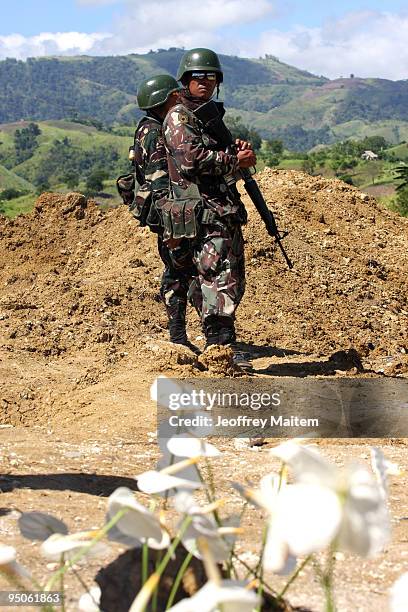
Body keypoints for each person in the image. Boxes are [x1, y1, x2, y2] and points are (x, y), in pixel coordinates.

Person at [163, 49, 256, 358]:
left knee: (228, 275)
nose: (205, 82)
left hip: (221, 209)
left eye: (210, 76)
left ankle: (220, 343)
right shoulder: (179, 115)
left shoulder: (207, 115)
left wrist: (234, 149)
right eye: (197, 77)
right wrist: (234, 159)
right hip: (202, 212)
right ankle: (220, 346)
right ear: (186, 80)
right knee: (218, 275)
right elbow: (189, 159)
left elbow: (211, 151)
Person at [117, 74, 201, 353]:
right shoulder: (154, 132)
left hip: (166, 213)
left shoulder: (147, 127)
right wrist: (173, 227)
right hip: (169, 215)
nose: (179, 98)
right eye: (173, 96)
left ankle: (183, 336)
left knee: (180, 271)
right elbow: (160, 181)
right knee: (180, 273)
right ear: (164, 100)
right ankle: (182, 338)